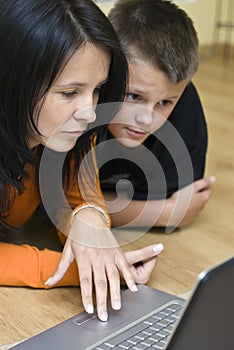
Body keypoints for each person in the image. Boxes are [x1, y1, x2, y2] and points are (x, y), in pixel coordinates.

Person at [0, 0, 164, 322]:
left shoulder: (68, 130)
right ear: (12, 81)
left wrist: (90, 220)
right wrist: (86, 271)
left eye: (98, 89)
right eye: (69, 92)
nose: (90, 112)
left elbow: (79, 190)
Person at [98, 0, 215, 230]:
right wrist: (163, 214)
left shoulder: (185, 112)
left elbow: (185, 203)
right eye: (134, 96)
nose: (146, 119)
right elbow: (57, 205)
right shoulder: (78, 100)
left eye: (164, 102)